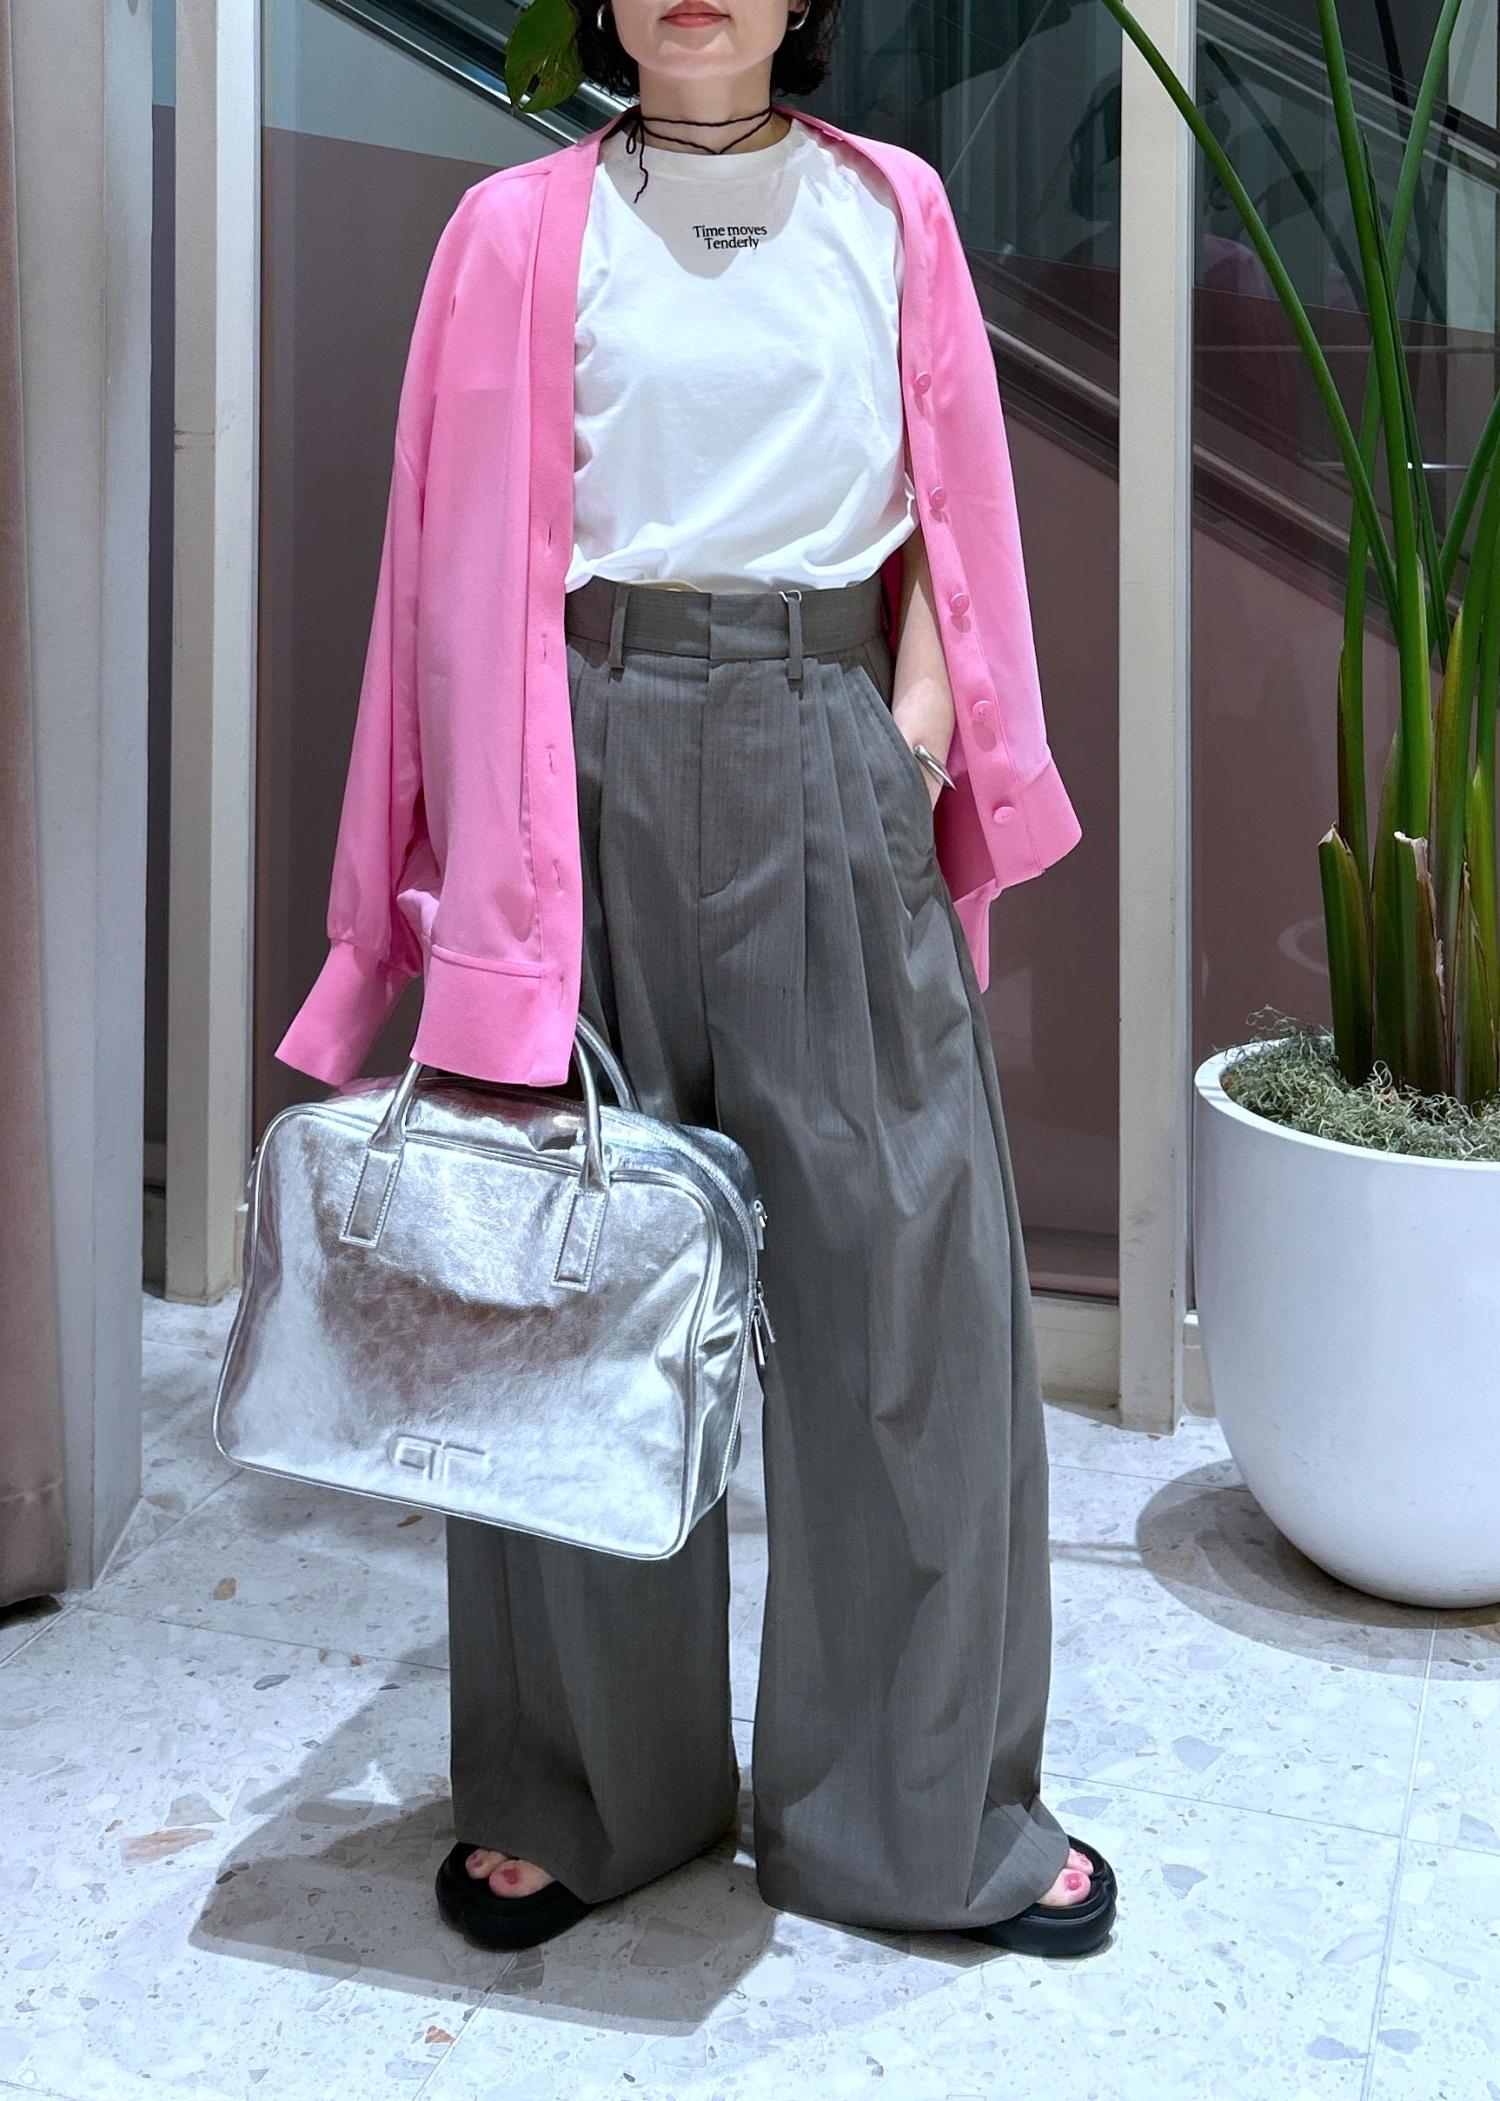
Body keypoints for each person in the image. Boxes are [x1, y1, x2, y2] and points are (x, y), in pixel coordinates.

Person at [287, 0, 1117, 1961]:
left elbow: (956, 527)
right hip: (578, 767)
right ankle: (588, 1789)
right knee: (571, 1298)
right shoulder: (510, 233)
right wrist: (390, 916)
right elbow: (429, 575)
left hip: (832, 745)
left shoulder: (892, 213)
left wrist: (912, 742)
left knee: (906, 1298)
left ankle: (913, 1814)